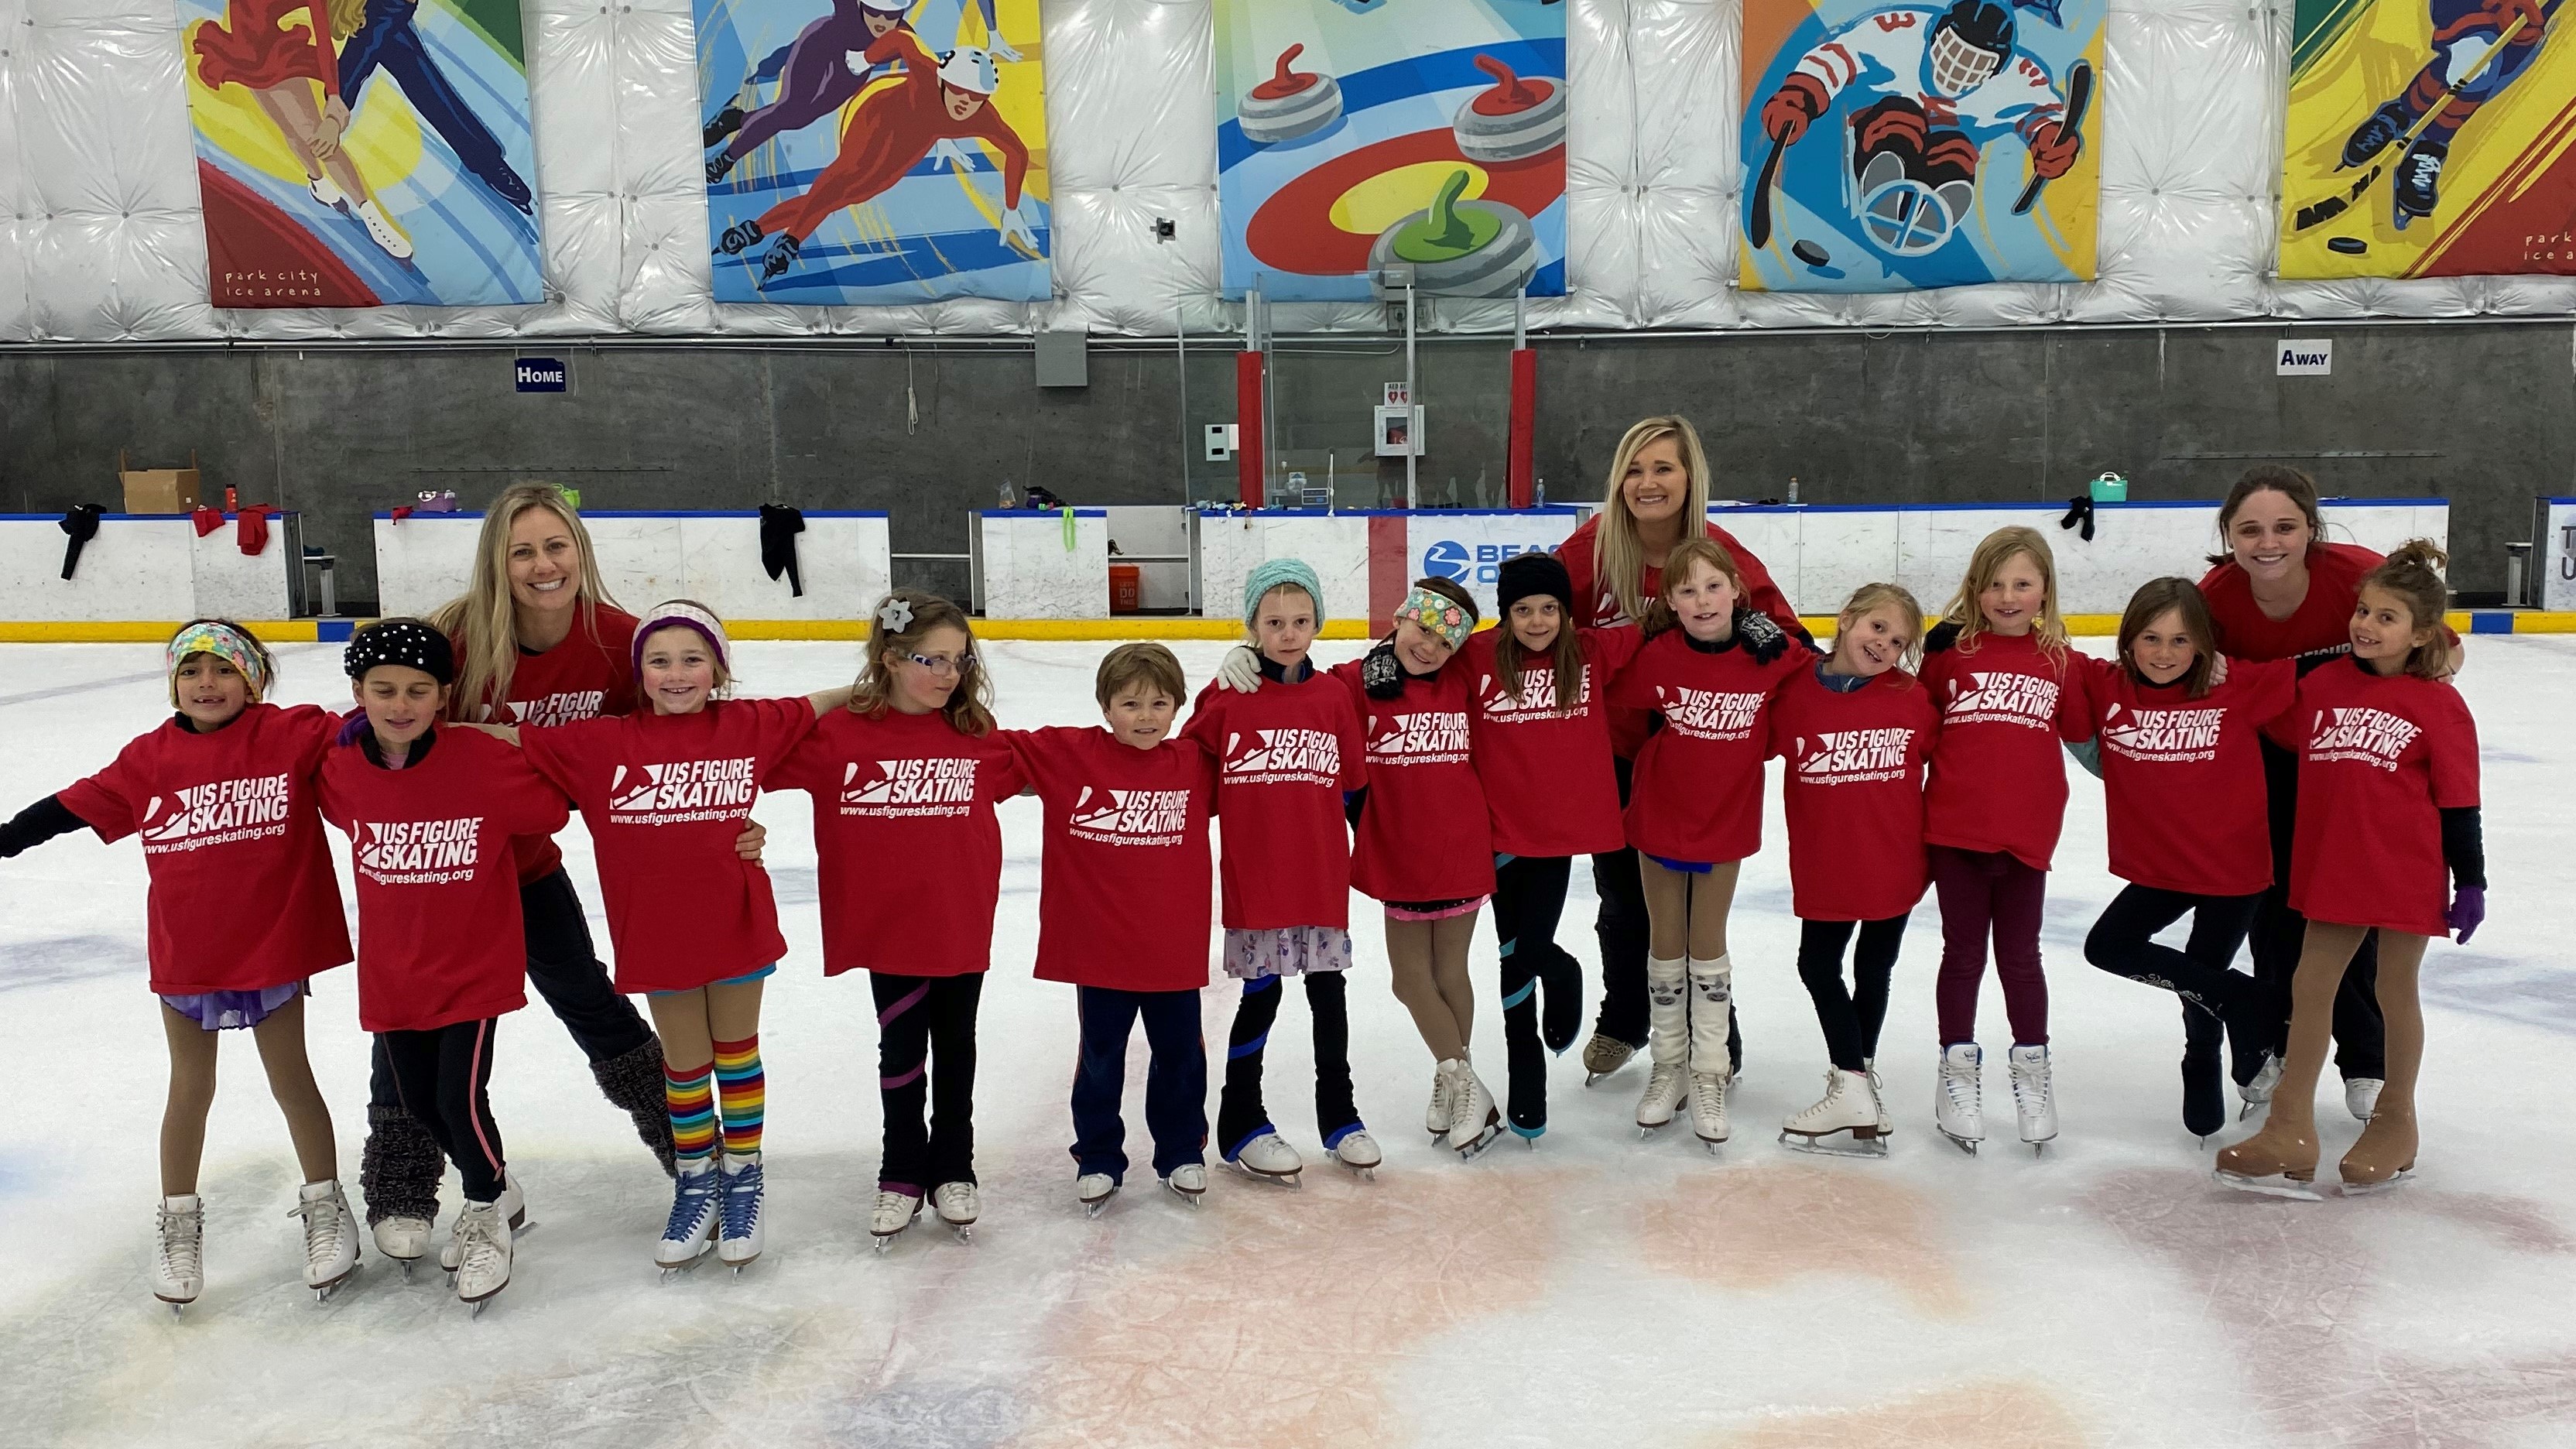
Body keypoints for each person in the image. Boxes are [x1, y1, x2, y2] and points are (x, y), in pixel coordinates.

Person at [355, 484, 763, 1273]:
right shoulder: (456, 638)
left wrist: (727, 821)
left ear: (580, 551)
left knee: (589, 998)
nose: (543, 565)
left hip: (530, 866)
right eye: (522, 551)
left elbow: (669, 744)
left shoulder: (620, 642)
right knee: (410, 1019)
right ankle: (405, 1180)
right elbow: (385, 731)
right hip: (438, 876)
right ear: (496, 564)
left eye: (556, 546)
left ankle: (693, 1154)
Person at [0, 621, 356, 1308]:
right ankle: (180, 1223)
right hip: (189, 950)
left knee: (293, 1081)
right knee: (190, 1089)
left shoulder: (289, 734)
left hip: (272, 944)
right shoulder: (149, 758)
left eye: (223, 671)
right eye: (191, 672)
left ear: (252, 680)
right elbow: (72, 807)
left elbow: (376, 724)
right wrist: (7, 839)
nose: (207, 684)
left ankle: (325, 1207)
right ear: (173, 684)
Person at [494, 601, 850, 1275]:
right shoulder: (600, 743)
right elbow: (509, 741)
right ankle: (698, 1180)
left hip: (735, 920)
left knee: (735, 1057)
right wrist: (418, 725)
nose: (676, 673)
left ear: (718, 668)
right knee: (684, 1068)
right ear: (639, 673)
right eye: (659, 661)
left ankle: (744, 1179)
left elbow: (818, 704)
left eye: (693, 659)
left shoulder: (748, 724)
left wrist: (884, 681)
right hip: (656, 933)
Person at [2217, 542, 2483, 1198]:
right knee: (2312, 989)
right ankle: (2289, 1128)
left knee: (2395, 994)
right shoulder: (2323, 686)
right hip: (2331, 868)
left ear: (2424, 634)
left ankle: (2397, 1124)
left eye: (2387, 617)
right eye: (2363, 611)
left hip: (2404, 871)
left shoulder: (2437, 704)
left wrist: (2471, 879)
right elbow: (2254, 701)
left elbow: (2460, 798)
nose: (2366, 625)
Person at [318, 620, 570, 1310]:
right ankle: (498, 1187)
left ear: (443, 694)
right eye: (384, 690)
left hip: (472, 967)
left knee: (459, 1099)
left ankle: (488, 1211)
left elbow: (550, 808)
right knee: (423, 1102)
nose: (401, 705)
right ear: (358, 694)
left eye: (419, 690)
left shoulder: (480, 761)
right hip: (394, 973)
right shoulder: (339, 768)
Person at [1555, 415, 1806, 1084]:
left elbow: (1793, 646)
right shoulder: (1591, 550)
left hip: (1699, 754)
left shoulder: (1720, 556)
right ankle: (1625, 1018)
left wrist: (1757, 629)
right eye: (1634, 470)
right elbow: (1534, 616)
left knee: (1698, 910)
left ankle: (1714, 1032)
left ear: (1689, 476)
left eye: (1663, 467)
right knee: (1621, 897)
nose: (1648, 483)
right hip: (1612, 753)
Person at [770, 590, 1023, 1249]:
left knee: (958, 1046)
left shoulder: (978, 737)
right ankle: (901, 1169)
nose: (948, 675)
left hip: (960, 921)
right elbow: (738, 753)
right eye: (929, 660)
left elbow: (1082, 757)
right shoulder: (837, 737)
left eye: (958, 661)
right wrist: (835, 697)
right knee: (903, 1050)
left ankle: (955, 1166)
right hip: (889, 929)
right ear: (887, 658)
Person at [1215, 578, 1499, 1153]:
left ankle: (1457, 1083)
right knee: (1412, 979)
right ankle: (1462, 1080)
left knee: (1451, 973)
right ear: (1400, 617)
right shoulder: (1352, 683)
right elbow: (1295, 684)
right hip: (1399, 850)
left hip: (1462, 847)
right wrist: (1243, 654)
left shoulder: (1465, 679)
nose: (1428, 646)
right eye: (1421, 628)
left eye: (1445, 642)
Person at [2198, 466, 2425, 1122]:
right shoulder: (2217, 597)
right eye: (2250, 530)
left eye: (2285, 527)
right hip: (2263, 765)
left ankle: (2366, 1063)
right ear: (2230, 536)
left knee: (2345, 911)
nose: (2268, 542)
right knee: (2272, 916)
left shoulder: (2358, 576)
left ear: (2311, 530)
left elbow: (2438, 651)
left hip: (2347, 762)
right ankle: (2275, 1046)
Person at [2073, 579, 2296, 1142]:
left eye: (2180, 640)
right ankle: (2247, 1000)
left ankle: (2202, 1059)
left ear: (2203, 645)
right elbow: (2036, 654)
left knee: (2205, 963)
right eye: (2150, 638)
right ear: (2128, 640)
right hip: (2160, 866)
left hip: (2233, 868)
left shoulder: (2239, 686)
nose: (2164, 654)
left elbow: (2327, 673)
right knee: (2108, 947)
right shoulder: (2106, 686)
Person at [1605, 538, 1807, 1149]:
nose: (1701, 600)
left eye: (1714, 587)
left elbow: (1829, 680)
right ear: (1669, 599)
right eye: (1687, 590)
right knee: (1664, 946)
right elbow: (1603, 697)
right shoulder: (1659, 655)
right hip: (1659, 814)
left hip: (1725, 819)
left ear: (1738, 593)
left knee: (1707, 947)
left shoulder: (1770, 657)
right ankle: (1669, 1068)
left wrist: (1780, 638)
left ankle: (1710, 1069)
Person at [1003, 644, 1217, 1215]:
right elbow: (985, 746)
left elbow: (1252, 745)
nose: (1145, 717)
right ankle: (1098, 1155)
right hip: (1099, 950)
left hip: (1171, 948)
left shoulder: (1196, 764)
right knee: (1101, 1055)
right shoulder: (1070, 754)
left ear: (1177, 709)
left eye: (1159, 703)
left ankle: (1179, 1152)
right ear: (1105, 707)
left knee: (1180, 1054)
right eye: (1130, 704)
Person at [1184, 561, 1374, 1184]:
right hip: (1257, 877)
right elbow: (1184, 775)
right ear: (1252, 628)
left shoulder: (1333, 697)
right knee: (1260, 997)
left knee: (1328, 995)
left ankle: (1340, 1117)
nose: (1288, 633)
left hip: (1319, 877)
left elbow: (1354, 789)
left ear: (1318, 622)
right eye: (1273, 622)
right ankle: (1241, 1119)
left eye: (1300, 620)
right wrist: (1216, 691)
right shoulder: (1228, 698)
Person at [1919, 526, 2092, 1155]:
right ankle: (1956, 1073)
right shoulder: (1950, 656)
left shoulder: (2060, 661)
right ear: (1975, 588)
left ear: (2045, 589)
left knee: (2022, 956)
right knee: (1962, 953)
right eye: (1994, 584)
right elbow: (1914, 721)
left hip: (2026, 837)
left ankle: (2033, 1071)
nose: (2008, 595)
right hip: (1956, 830)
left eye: (2022, 583)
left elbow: (2085, 728)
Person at [1463, 552, 1645, 1139]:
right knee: (1509, 955)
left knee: (1529, 949)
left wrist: (1745, 624)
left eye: (1549, 609)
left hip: (1557, 834)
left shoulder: (1591, 653)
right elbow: (1414, 655)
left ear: (1567, 612)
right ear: (1505, 613)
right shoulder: (1480, 656)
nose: (1537, 621)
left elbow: (1668, 623)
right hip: (1494, 830)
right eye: (1523, 610)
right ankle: (1528, 1086)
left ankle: (1562, 972)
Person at [1766, 584, 1937, 1156]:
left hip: (1895, 860)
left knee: (1874, 968)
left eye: (1899, 641)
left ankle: (1854, 1084)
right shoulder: (1792, 693)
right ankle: (1856, 1085)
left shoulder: (1913, 697)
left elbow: (1962, 762)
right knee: (1817, 965)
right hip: (1827, 862)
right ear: (1845, 620)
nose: (1885, 644)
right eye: (1877, 628)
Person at [720, 32, 1037, 283]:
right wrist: (864, 58)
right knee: (845, 177)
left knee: (852, 194)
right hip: (877, 112)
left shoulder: (985, 118)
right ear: (942, 81)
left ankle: (754, 229)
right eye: (959, 92)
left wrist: (1011, 209)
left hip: (915, 137)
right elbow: (902, 39)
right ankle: (791, 242)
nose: (965, 103)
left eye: (976, 99)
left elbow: (1018, 153)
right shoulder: (928, 74)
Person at [191, 0, 413, 258]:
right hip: (243, 54)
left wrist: (333, 94)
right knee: (288, 131)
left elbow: (322, 38)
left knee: (315, 136)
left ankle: (373, 218)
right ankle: (317, 181)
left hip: (277, 56)